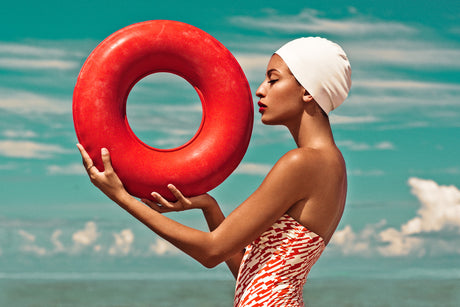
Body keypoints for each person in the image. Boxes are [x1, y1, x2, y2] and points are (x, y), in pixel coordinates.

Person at [77, 36, 351, 307]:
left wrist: (120, 197)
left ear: (308, 91)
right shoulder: (332, 164)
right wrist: (209, 206)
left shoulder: (302, 163)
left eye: (273, 79)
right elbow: (252, 273)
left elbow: (210, 252)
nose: (260, 90)